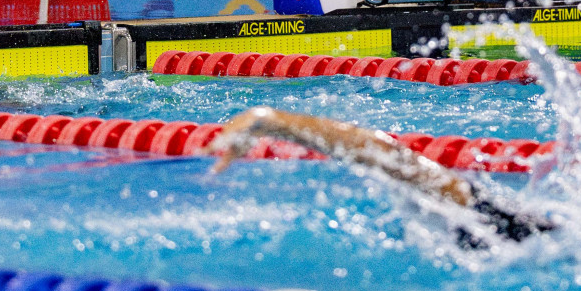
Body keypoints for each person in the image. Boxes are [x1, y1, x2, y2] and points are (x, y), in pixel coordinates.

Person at [211, 107, 553, 246]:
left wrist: (274, 122)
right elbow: (399, 163)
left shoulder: (512, 233)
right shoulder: (526, 234)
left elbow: (397, 163)